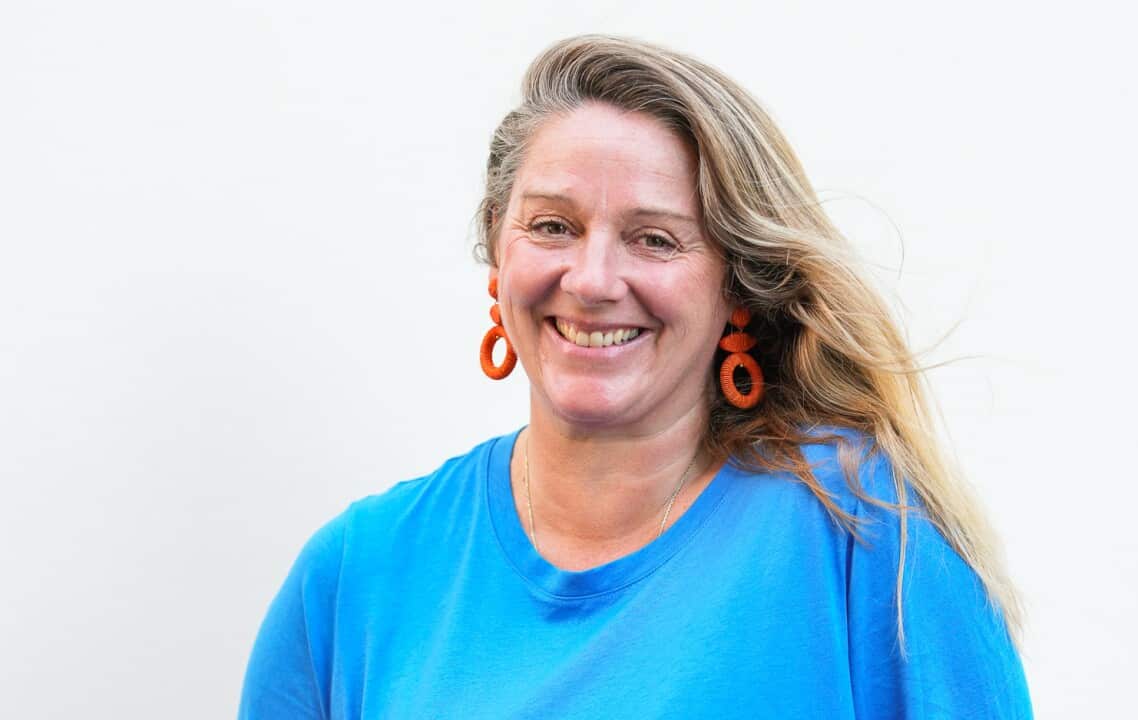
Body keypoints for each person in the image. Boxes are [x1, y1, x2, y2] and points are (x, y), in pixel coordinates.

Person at [239, 34, 1033, 718]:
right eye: (554, 226)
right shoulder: (353, 576)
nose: (591, 278)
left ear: (736, 285)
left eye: (654, 239)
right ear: (497, 247)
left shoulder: (868, 532)